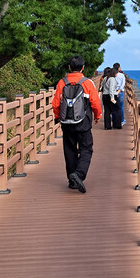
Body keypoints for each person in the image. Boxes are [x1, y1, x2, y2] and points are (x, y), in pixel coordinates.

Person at [52, 55, 101, 193]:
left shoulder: (62, 82)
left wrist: (57, 117)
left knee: (69, 150)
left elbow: (56, 103)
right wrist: (97, 116)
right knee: (86, 148)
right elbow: (95, 103)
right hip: (83, 122)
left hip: (66, 122)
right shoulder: (87, 83)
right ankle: (79, 174)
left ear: (69, 67)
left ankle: (72, 181)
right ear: (83, 67)